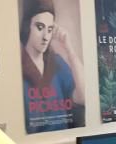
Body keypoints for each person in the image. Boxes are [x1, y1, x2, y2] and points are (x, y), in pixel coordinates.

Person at [19, 0, 85, 133]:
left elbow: (83, 97)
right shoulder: (18, 67)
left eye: (50, 29)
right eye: (40, 27)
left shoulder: (56, 62)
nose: (46, 37)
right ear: (27, 27)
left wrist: (69, 48)